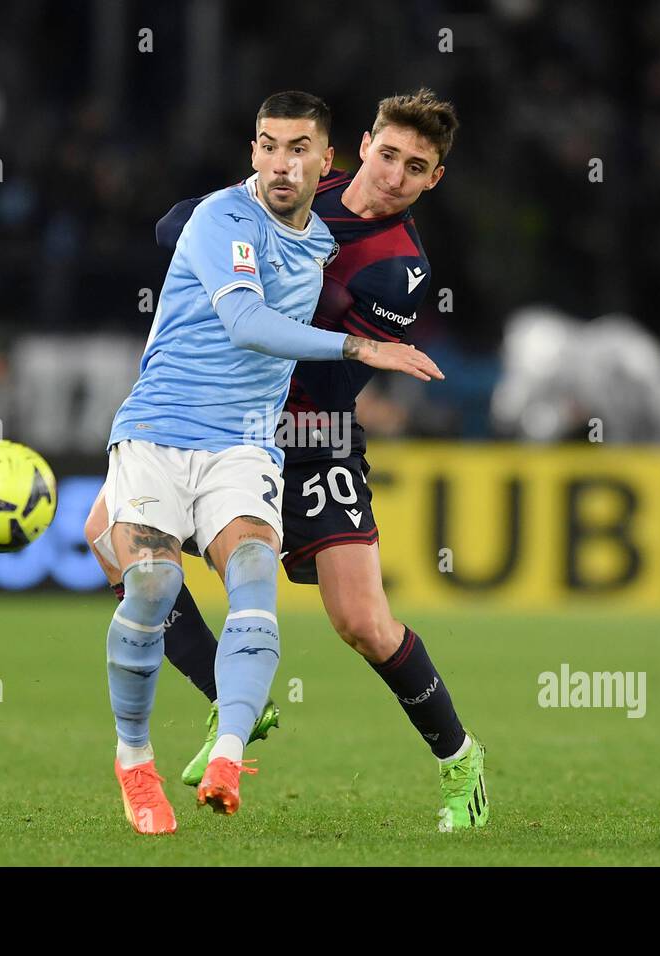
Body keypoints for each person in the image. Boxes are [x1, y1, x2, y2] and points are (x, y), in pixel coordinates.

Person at [88, 90, 487, 831]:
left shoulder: (397, 272)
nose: (396, 175)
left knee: (363, 623)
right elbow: (173, 225)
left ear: (433, 180)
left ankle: (459, 757)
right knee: (111, 544)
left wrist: (258, 287)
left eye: (417, 168)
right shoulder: (300, 177)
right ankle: (235, 701)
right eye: (389, 155)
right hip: (222, 420)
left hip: (312, 431)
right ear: (361, 146)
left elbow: (336, 380)